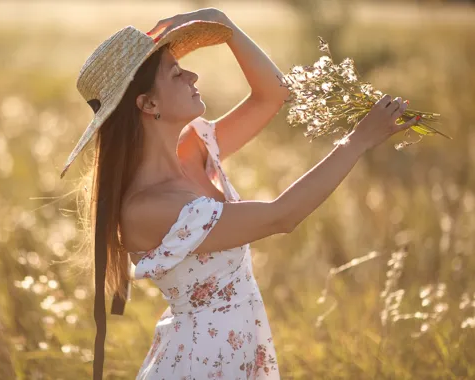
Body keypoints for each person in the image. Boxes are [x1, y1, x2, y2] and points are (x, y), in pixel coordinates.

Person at [59, 7, 418, 380]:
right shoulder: (147, 208)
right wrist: (357, 140)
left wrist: (224, 24)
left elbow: (273, 95)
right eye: (176, 73)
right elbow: (283, 216)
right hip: (198, 365)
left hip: (236, 353)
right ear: (148, 104)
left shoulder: (192, 152)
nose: (193, 75)